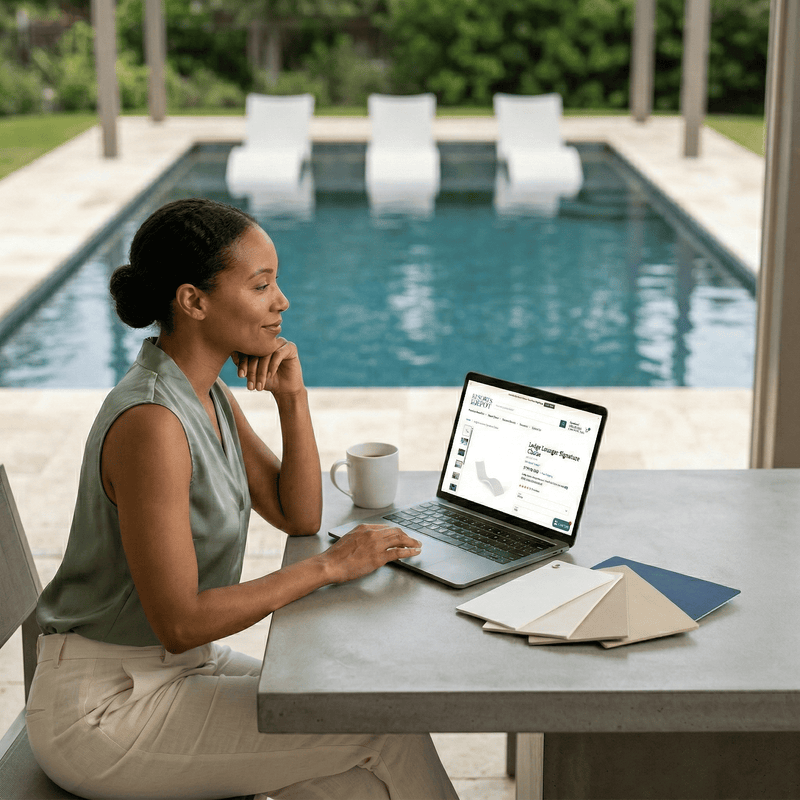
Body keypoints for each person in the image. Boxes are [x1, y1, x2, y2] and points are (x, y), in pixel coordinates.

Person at [25, 198, 460, 800]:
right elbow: (180, 623)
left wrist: (292, 398)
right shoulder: (153, 422)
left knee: (355, 773)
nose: (282, 302)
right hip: (107, 707)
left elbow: (297, 514)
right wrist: (330, 567)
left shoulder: (208, 395)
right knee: (381, 730)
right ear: (193, 301)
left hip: (177, 669)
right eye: (261, 285)